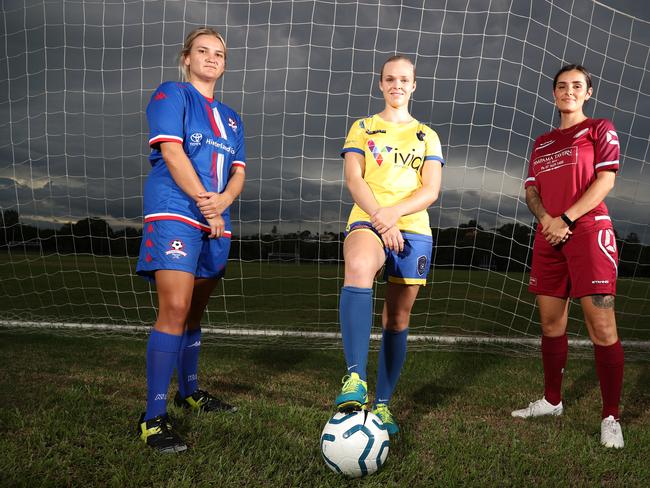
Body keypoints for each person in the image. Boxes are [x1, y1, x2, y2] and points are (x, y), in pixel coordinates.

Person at [135, 27, 245, 453]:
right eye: (203, 51)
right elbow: (173, 152)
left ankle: (190, 391)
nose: (211, 58)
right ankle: (152, 417)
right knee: (175, 308)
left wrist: (220, 205)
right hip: (177, 210)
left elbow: (238, 172)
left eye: (219, 53)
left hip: (216, 217)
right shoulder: (172, 94)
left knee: (196, 310)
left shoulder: (233, 118)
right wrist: (206, 203)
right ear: (186, 58)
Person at [512, 64, 624, 449]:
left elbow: (606, 179)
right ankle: (552, 401)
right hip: (549, 236)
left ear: (588, 92)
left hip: (588, 233)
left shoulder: (599, 129)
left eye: (577, 85)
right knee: (550, 324)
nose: (569, 91)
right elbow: (531, 190)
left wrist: (566, 219)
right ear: (554, 93)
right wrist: (546, 219)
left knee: (602, 328)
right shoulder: (542, 141)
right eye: (562, 86)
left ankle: (611, 416)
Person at [335, 55, 444, 435]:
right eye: (389, 79)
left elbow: (430, 190)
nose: (397, 85)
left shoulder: (427, 135)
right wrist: (381, 217)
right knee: (360, 267)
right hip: (368, 217)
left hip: (412, 228)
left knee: (397, 319)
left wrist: (394, 215)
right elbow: (354, 178)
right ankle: (354, 380)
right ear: (380, 84)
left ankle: (381, 405)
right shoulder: (363, 127)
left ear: (414, 85)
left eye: (404, 79)